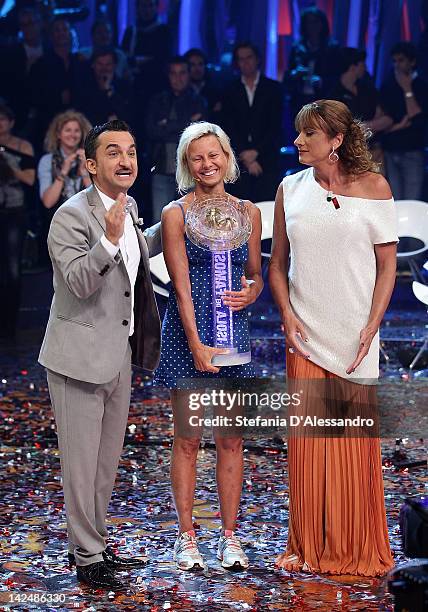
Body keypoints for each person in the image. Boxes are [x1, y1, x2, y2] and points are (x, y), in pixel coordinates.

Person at [269, 100, 397, 576]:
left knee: (349, 446)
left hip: (355, 338)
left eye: (309, 135)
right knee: (309, 448)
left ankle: (354, 543)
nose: (299, 142)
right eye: (298, 133)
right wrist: (286, 314)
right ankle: (311, 544)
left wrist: (372, 326)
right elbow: (276, 264)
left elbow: (387, 268)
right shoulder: (290, 189)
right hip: (304, 332)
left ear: (336, 141)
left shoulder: (375, 188)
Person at [38, 119, 162, 591]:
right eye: (113, 152)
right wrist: (109, 238)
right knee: (80, 464)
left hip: (117, 356)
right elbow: (79, 282)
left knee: (105, 463)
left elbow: (135, 270)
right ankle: (86, 557)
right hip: (77, 358)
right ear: (92, 164)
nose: (125, 160)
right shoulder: (71, 216)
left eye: (130, 150)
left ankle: (97, 542)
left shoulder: (126, 211)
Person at [154, 121, 262, 571]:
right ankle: (186, 536)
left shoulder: (249, 212)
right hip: (187, 337)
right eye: (196, 157)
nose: (206, 164)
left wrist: (254, 291)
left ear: (227, 156)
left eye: (213, 154)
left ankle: (230, 537)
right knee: (187, 440)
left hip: (234, 335)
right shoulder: (175, 213)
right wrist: (197, 345)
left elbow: (256, 272)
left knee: (231, 440)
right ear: (186, 165)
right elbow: (180, 288)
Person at [145, 56, 207, 221]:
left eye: (182, 73)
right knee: (159, 222)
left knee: (192, 222)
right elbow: (151, 131)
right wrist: (185, 123)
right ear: (168, 76)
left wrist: (166, 124)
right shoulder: (157, 101)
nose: (178, 78)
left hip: (189, 170)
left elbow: (198, 134)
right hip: (161, 169)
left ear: (188, 75)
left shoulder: (199, 101)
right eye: (173, 73)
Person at [221, 42, 283, 202]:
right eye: (241, 59)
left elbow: (276, 127)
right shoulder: (228, 90)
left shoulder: (274, 89)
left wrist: (256, 153)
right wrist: (244, 155)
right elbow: (227, 126)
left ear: (257, 59)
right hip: (237, 162)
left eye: (249, 57)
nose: (245, 62)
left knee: (266, 207)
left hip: (267, 161)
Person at [38, 110, 92, 264]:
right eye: (68, 130)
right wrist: (64, 170)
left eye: (76, 130)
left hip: (86, 226)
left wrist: (84, 173)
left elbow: (98, 200)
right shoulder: (47, 161)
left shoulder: (90, 159)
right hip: (58, 227)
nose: (73, 134)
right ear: (59, 134)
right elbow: (48, 201)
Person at [0, 101, 35, 339]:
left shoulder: (22, 146)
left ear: (11, 122)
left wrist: (9, 167)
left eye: (3, 118)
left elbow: (30, 179)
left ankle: (9, 326)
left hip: (14, 211)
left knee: (12, 269)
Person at [380, 42, 428, 200]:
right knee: (396, 201)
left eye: (401, 60)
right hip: (391, 150)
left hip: (412, 151)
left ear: (412, 62)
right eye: (394, 61)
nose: (396, 65)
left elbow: (416, 117)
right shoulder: (388, 86)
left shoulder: (421, 86)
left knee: (411, 200)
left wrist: (407, 89)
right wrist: (398, 125)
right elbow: (386, 120)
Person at [284, 7, 340, 116]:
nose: (312, 26)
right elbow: (288, 75)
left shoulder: (332, 48)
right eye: (308, 22)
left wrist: (322, 81)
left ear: (322, 24)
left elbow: (338, 77)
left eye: (315, 22)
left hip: (323, 100)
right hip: (299, 99)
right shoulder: (297, 48)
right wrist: (295, 73)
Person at [74, 47, 135, 127]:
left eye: (108, 64)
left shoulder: (124, 86)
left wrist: (109, 91)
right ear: (93, 65)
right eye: (100, 64)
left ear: (114, 65)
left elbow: (127, 114)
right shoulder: (84, 86)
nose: (104, 68)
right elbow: (83, 114)